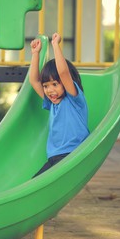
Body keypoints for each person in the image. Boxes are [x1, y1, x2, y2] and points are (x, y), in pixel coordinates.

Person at [29, 33, 90, 177]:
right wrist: (35, 54)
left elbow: (63, 73)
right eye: (46, 86)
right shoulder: (52, 103)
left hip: (71, 154)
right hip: (54, 156)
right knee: (34, 184)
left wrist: (55, 45)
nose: (50, 90)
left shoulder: (74, 100)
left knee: (41, 186)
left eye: (55, 84)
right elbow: (34, 81)